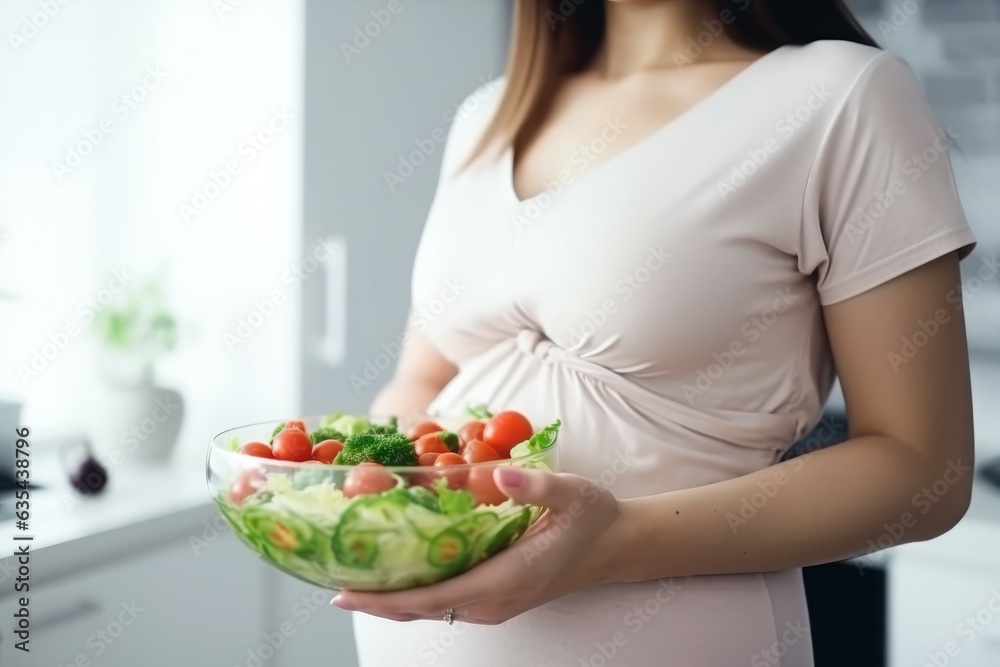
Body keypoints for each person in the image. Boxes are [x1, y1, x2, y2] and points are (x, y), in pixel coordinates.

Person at [337, 1, 978, 665]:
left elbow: (926, 468)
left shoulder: (844, 96)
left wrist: (613, 544)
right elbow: (420, 381)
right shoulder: (486, 117)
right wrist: (368, 490)